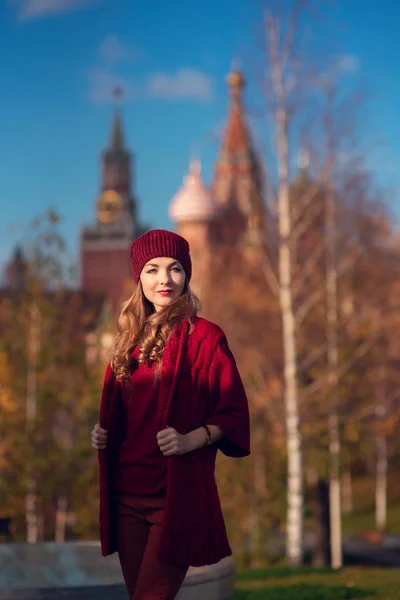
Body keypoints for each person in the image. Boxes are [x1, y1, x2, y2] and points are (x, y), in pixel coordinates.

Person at [91, 229, 250, 600]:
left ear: (187, 274)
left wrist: (190, 439)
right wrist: (101, 433)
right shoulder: (128, 338)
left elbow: (234, 413)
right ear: (139, 277)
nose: (165, 279)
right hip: (125, 496)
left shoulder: (206, 338)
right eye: (153, 269)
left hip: (174, 499)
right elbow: (125, 413)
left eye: (175, 268)